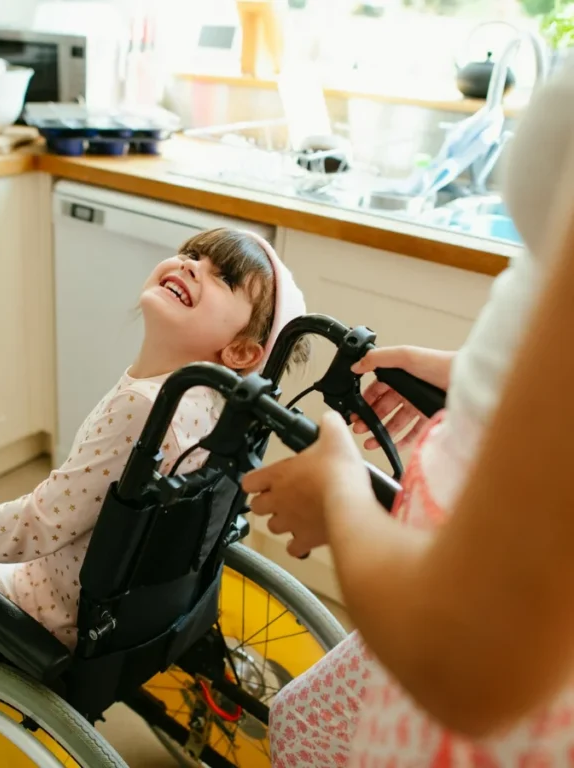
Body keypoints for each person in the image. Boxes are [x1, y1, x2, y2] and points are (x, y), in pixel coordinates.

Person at [244, 55, 574, 764]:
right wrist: (478, 377)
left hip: (469, 627)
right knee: (302, 720)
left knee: (305, 730)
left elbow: (466, 661)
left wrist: (338, 492)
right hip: (463, 556)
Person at [0, 228, 308, 648]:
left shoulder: (144, 408)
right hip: (142, 605)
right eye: (192, 254)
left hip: (56, 609)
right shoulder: (216, 407)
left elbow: (39, 523)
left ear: (240, 351)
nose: (191, 266)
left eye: (223, 277)